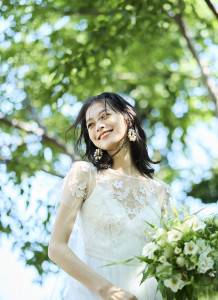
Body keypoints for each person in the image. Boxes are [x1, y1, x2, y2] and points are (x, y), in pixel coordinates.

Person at [48, 92, 172, 300]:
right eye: (90, 124)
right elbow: (56, 247)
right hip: (93, 293)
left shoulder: (160, 191)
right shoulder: (85, 175)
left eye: (105, 116)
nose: (98, 126)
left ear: (127, 118)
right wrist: (108, 291)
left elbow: (163, 262)